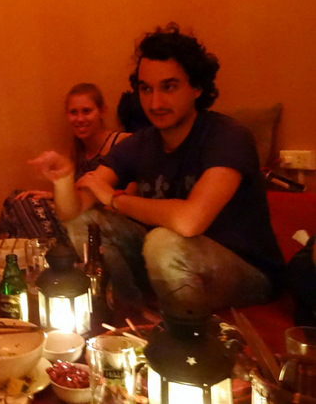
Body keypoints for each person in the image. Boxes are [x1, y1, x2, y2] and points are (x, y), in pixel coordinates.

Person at [30, 24, 284, 312]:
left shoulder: (228, 136)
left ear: (197, 88)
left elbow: (190, 221)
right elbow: (72, 211)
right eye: (146, 89)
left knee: (163, 242)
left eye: (169, 87)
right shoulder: (140, 143)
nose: (155, 102)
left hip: (249, 272)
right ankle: (128, 314)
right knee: (85, 224)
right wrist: (64, 179)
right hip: (169, 260)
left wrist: (115, 199)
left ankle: (184, 332)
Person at [17, 83, 129, 200]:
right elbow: (78, 197)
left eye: (86, 111)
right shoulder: (77, 149)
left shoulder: (122, 142)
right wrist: (52, 196)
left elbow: (129, 197)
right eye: (73, 112)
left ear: (102, 111)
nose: (80, 119)